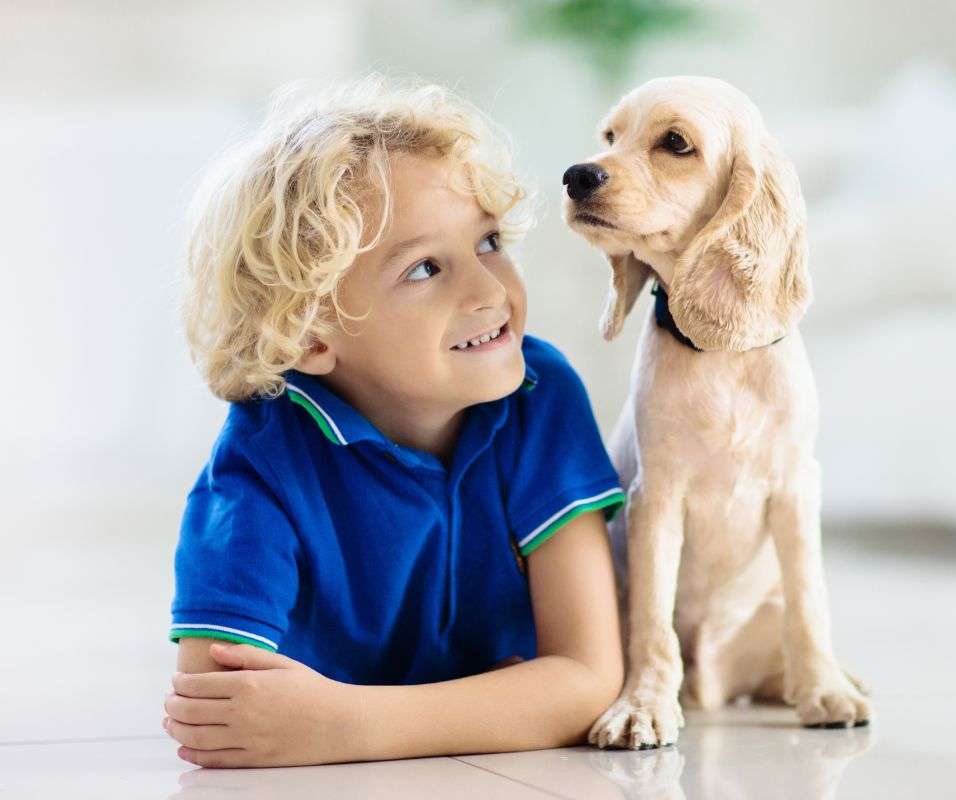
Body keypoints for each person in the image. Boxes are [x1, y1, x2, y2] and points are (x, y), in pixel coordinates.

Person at [162, 74, 627, 768]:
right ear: (308, 335)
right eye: (423, 269)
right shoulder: (258, 466)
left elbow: (588, 680)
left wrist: (349, 724)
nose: (489, 289)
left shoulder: (539, 394)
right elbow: (219, 712)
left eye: (489, 240)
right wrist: (505, 705)